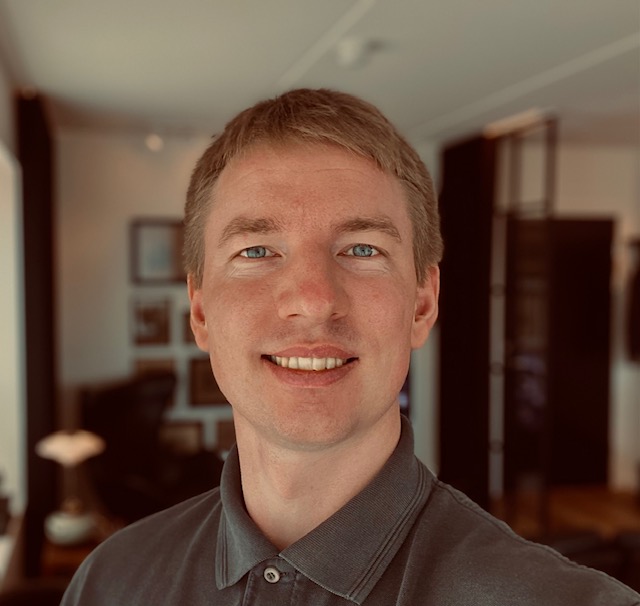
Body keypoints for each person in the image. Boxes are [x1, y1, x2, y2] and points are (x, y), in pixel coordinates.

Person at [61, 89, 640, 605]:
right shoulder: (109, 583)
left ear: (422, 305)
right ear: (201, 311)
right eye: (256, 251)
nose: (314, 300)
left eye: (362, 249)